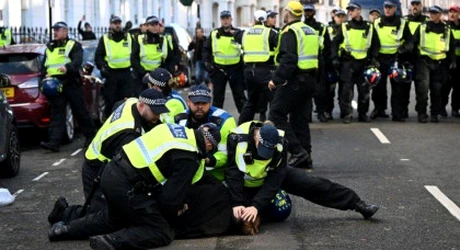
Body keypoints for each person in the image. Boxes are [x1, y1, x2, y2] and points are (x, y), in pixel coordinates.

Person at [48, 123, 234, 249]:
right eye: (211, 148)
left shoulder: (173, 129)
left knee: (113, 218)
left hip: (110, 172)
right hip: (127, 186)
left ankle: (63, 229)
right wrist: (176, 209)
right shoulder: (189, 156)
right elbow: (169, 201)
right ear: (209, 144)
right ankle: (113, 241)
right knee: (162, 231)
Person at [226, 121, 379, 234]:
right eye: (262, 148)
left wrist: (256, 206)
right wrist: (238, 202)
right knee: (237, 218)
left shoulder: (280, 142)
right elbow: (233, 173)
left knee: (311, 184)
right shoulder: (236, 139)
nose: (265, 154)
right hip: (244, 184)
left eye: (268, 151)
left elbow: (275, 179)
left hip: (270, 176)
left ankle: (357, 204)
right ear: (256, 138)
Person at [47, 88, 170, 225]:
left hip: (104, 159)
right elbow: (130, 168)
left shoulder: (132, 101)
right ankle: (62, 213)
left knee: (108, 211)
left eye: (160, 112)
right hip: (97, 167)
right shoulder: (128, 133)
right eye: (155, 112)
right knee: (101, 215)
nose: (158, 117)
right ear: (141, 106)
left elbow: (117, 105)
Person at [268, 1, 317, 169]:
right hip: (309, 80)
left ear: (288, 13)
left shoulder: (290, 31)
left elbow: (288, 59)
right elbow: (320, 58)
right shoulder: (310, 30)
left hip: (295, 80)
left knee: (276, 114)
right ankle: (306, 156)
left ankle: (297, 152)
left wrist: (276, 80)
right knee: (299, 119)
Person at [39, 22, 96, 152]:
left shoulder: (73, 45)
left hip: (71, 83)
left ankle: (91, 138)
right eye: (54, 30)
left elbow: (77, 61)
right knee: (57, 114)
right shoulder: (50, 47)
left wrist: (67, 68)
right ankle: (53, 143)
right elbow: (44, 65)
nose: (55, 32)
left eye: (58, 30)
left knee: (80, 112)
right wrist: (44, 75)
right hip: (55, 85)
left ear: (65, 31)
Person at [175, 84, 237, 181]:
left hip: (215, 176)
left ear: (210, 102)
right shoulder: (178, 120)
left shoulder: (225, 121)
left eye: (204, 103)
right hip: (186, 174)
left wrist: (206, 161)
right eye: (196, 103)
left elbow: (226, 154)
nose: (200, 107)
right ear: (188, 102)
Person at [331, 2, 379, 123]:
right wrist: (335, 58)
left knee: (364, 91)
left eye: (352, 10)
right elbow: (335, 43)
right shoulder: (345, 26)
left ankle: (362, 114)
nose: (350, 12)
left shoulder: (369, 27)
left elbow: (375, 44)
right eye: (349, 10)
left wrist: (373, 57)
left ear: (359, 11)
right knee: (347, 91)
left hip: (364, 63)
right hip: (348, 63)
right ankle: (347, 114)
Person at [412, 5, 456, 123]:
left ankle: (434, 113)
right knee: (423, 89)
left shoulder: (447, 29)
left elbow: (451, 47)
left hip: (440, 63)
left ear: (440, 15)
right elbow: (413, 42)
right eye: (431, 13)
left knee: (437, 90)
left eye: (434, 13)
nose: (432, 15)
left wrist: (452, 61)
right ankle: (422, 113)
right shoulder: (422, 27)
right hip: (424, 61)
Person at [372, 0, 413, 122]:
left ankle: (397, 113)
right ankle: (379, 109)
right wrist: (373, 57)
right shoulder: (377, 22)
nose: (387, 9)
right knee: (379, 87)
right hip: (381, 58)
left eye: (390, 7)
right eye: (385, 7)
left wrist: (404, 48)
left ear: (395, 8)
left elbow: (410, 40)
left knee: (397, 88)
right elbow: (373, 41)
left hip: (396, 58)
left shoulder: (402, 23)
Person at [235, 10, 278, 125]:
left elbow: (236, 37)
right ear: (264, 20)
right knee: (274, 101)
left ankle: (241, 127)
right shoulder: (270, 32)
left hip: (249, 72)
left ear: (254, 20)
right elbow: (279, 47)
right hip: (265, 71)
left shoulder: (245, 33)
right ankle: (276, 127)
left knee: (251, 102)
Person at [204, 10, 247, 113]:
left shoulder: (238, 33)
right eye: (223, 19)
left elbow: (247, 49)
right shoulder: (214, 34)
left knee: (240, 97)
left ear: (231, 19)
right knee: (218, 98)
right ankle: (215, 120)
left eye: (227, 18)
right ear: (220, 20)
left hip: (235, 69)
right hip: (219, 70)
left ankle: (246, 120)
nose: (225, 21)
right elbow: (206, 50)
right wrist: (208, 66)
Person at [95, 15, 135, 118]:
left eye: (119, 23)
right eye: (115, 23)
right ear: (110, 25)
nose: (117, 25)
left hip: (126, 74)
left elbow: (135, 54)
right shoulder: (105, 39)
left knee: (127, 100)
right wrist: (102, 67)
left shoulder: (128, 37)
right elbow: (98, 56)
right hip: (112, 74)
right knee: (111, 101)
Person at [131, 16, 178, 96]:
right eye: (152, 25)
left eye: (156, 24)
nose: (155, 27)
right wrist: (143, 72)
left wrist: (169, 72)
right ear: (147, 26)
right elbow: (134, 59)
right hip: (143, 77)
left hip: (160, 77)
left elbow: (171, 59)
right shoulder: (139, 39)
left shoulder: (163, 40)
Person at [304, 3, 332, 123]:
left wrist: (328, 64)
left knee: (320, 90)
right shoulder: (301, 27)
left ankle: (321, 113)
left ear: (314, 13)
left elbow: (327, 47)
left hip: (318, 61)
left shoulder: (321, 27)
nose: (308, 13)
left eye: (310, 11)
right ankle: (307, 115)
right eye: (306, 11)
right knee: (305, 91)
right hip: (303, 61)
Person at [403, 0, 429, 120]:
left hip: (421, 59)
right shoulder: (404, 21)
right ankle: (402, 112)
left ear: (421, 6)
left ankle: (421, 112)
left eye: (417, 5)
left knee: (422, 88)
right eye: (413, 5)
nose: (415, 7)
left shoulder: (426, 21)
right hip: (406, 58)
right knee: (403, 88)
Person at [326, 8, 347, 120]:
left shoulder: (348, 28)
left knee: (344, 90)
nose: (341, 19)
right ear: (334, 17)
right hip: (331, 63)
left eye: (343, 16)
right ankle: (328, 111)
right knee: (330, 90)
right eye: (339, 16)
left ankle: (344, 112)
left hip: (344, 61)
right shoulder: (328, 28)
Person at [441, 5, 460, 118]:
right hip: (447, 60)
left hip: (459, 61)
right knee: (445, 86)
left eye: (455, 12)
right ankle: (442, 107)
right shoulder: (445, 26)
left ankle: (455, 108)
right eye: (450, 12)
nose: (452, 14)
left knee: (458, 86)